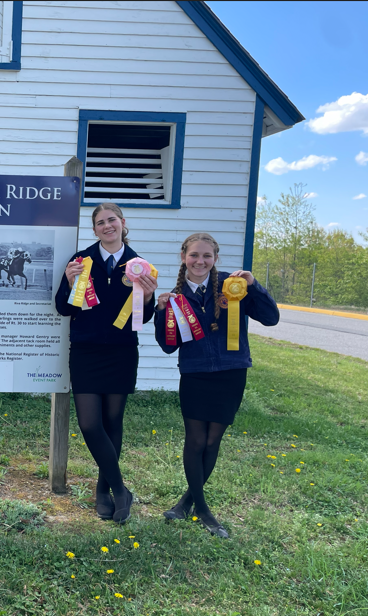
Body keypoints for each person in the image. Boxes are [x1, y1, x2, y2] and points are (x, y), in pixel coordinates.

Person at [154, 233, 279, 538]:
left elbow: (271, 318)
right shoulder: (176, 296)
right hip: (195, 373)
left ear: (216, 258)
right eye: (194, 255)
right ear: (184, 256)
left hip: (231, 372)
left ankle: (187, 502)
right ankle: (203, 509)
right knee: (196, 441)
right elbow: (168, 346)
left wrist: (254, 285)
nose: (200, 261)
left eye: (207, 256)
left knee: (213, 441)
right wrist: (160, 313)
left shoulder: (232, 286)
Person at [54, 203, 157, 523]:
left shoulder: (139, 266)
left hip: (122, 351)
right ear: (95, 229)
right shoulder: (79, 262)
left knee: (113, 424)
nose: (107, 226)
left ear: (123, 223)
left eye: (112, 220)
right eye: (100, 222)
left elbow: (143, 318)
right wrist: (71, 285)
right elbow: (62, 308)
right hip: (86, 351)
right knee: (89, 424)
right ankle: (120, 488)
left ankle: (103, 492)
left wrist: (150, 297)